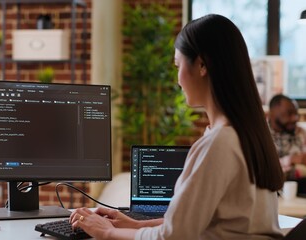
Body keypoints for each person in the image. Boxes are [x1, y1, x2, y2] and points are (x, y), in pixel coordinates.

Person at [70, 14, 284, 239]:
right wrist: (132, 225)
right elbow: (195, 223)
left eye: (178, 65)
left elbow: (172, 237)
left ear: (201, 65)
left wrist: (107, 233)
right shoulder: (248, 135)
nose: (178, 79)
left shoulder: (220, 144)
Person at [268, 94, 306, 195]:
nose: (295, 118)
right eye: (289, 113)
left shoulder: (300, 133)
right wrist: (290, 160)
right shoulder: (262, 136)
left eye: (296, 113)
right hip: (271, 192)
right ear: (272, 113)